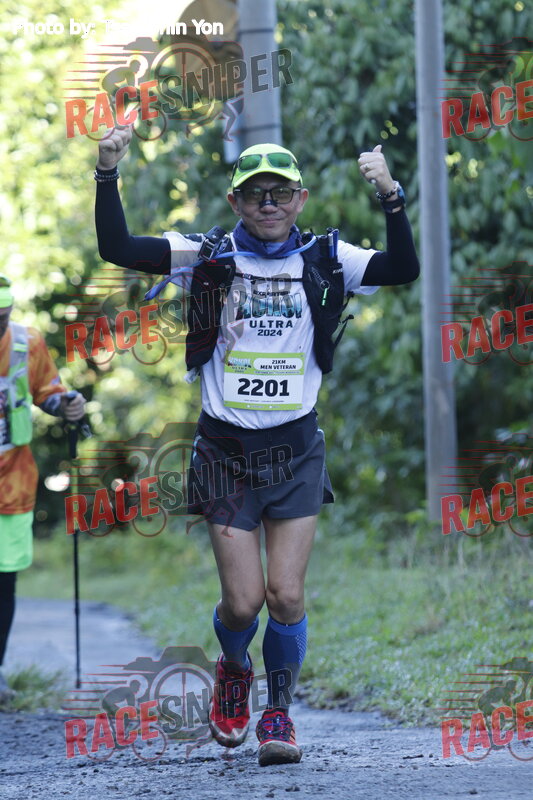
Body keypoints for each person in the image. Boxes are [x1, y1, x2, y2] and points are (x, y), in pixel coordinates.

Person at [94, 131, 419, 765]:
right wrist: (108, 171)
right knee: (243, 604)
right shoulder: (206, 255)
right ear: (235, 202)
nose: (268, 203)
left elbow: (402, 268)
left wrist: (390, 194)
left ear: (300, 198)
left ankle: (278, 714)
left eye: (280, 193)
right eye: (254, 194)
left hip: (295, 448)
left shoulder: (327, 256)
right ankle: (235, 669)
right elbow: (119, 247)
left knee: (286, 596)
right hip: (225, 452)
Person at [0, 276, 85, 703]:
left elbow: (47, 391)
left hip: (11, 484)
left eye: (1, 318)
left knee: (4, 581)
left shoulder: (25, 342)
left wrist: (66, 404)